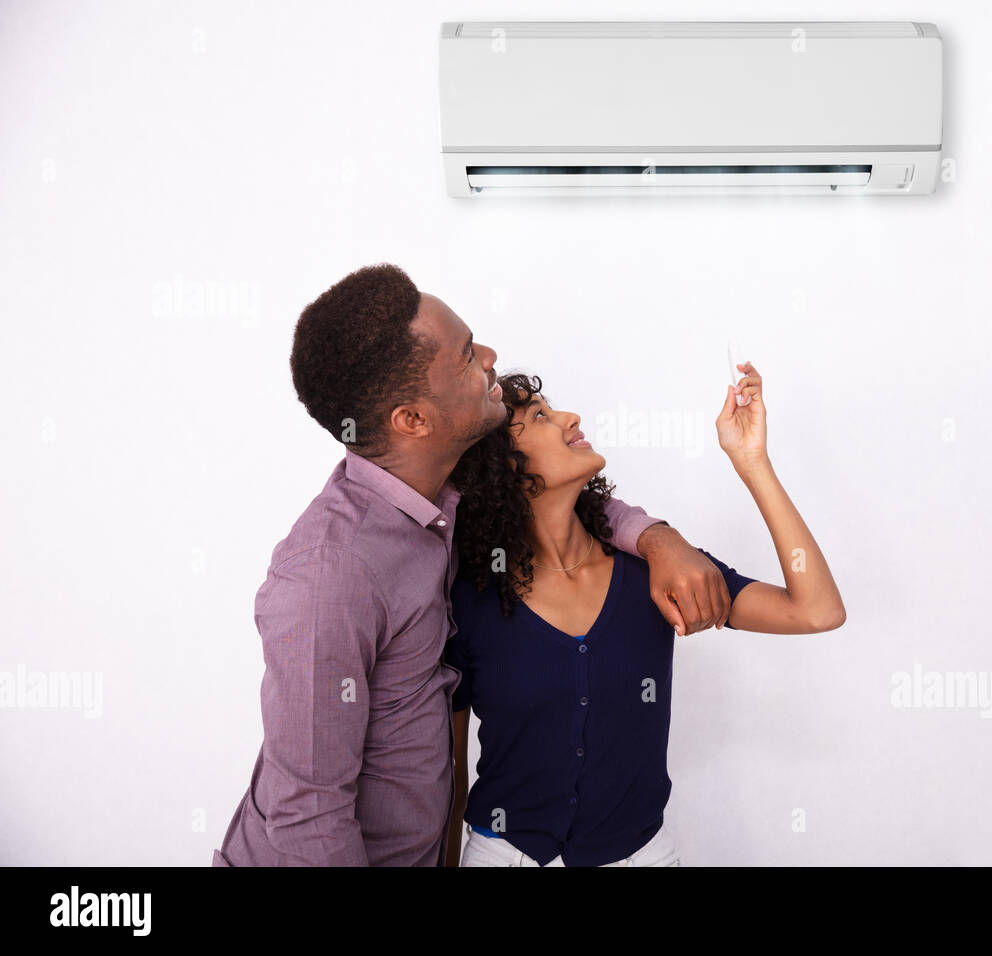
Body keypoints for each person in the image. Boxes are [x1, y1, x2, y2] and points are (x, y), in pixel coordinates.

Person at [212, 263, 733, 866]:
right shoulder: (331, 571)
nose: (490, 356)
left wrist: (657, 539)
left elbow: (561, 500)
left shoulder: (444, 499)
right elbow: (309, 813)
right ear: (412, 420)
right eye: (465, 356)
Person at [443, 361, 846, 867]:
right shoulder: (470, 599)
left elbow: (816, 611)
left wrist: (752, 461)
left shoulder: (653, 574)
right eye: (542, 418)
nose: (570, 417)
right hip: (501, 855)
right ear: (502, 469)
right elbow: (450, 769)